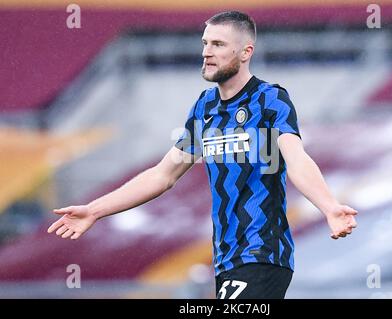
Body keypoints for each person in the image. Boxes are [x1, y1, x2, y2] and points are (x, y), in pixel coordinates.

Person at [48, 11, 357, 299]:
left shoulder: (269, 99)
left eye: (218, 44)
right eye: (205, 43)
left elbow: (296, 159)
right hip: (224, 260)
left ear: (245, 52)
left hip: (262, 252)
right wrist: (94, 210)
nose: (206, 52)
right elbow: (163, 175)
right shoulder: (205, 107)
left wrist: (328, 207)